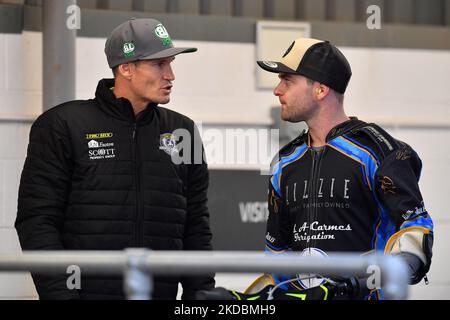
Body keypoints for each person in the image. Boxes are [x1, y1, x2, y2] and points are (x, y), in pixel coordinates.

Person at [15, 18, 214, 300]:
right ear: (126, 68)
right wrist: (61, 295)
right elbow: (38, 220)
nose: (170, 75)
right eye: (159, 64)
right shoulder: (63, 125)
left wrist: (201, 295)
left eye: (171, 63)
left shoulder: (183, 131)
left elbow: (196, 224)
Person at [253, 38, 434, 299]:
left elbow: (416, 230)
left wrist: (363, 284)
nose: (277, 90)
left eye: (287, 81)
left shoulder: (378, 150)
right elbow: (276, 255)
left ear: (321, 89)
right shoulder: (284, 162)